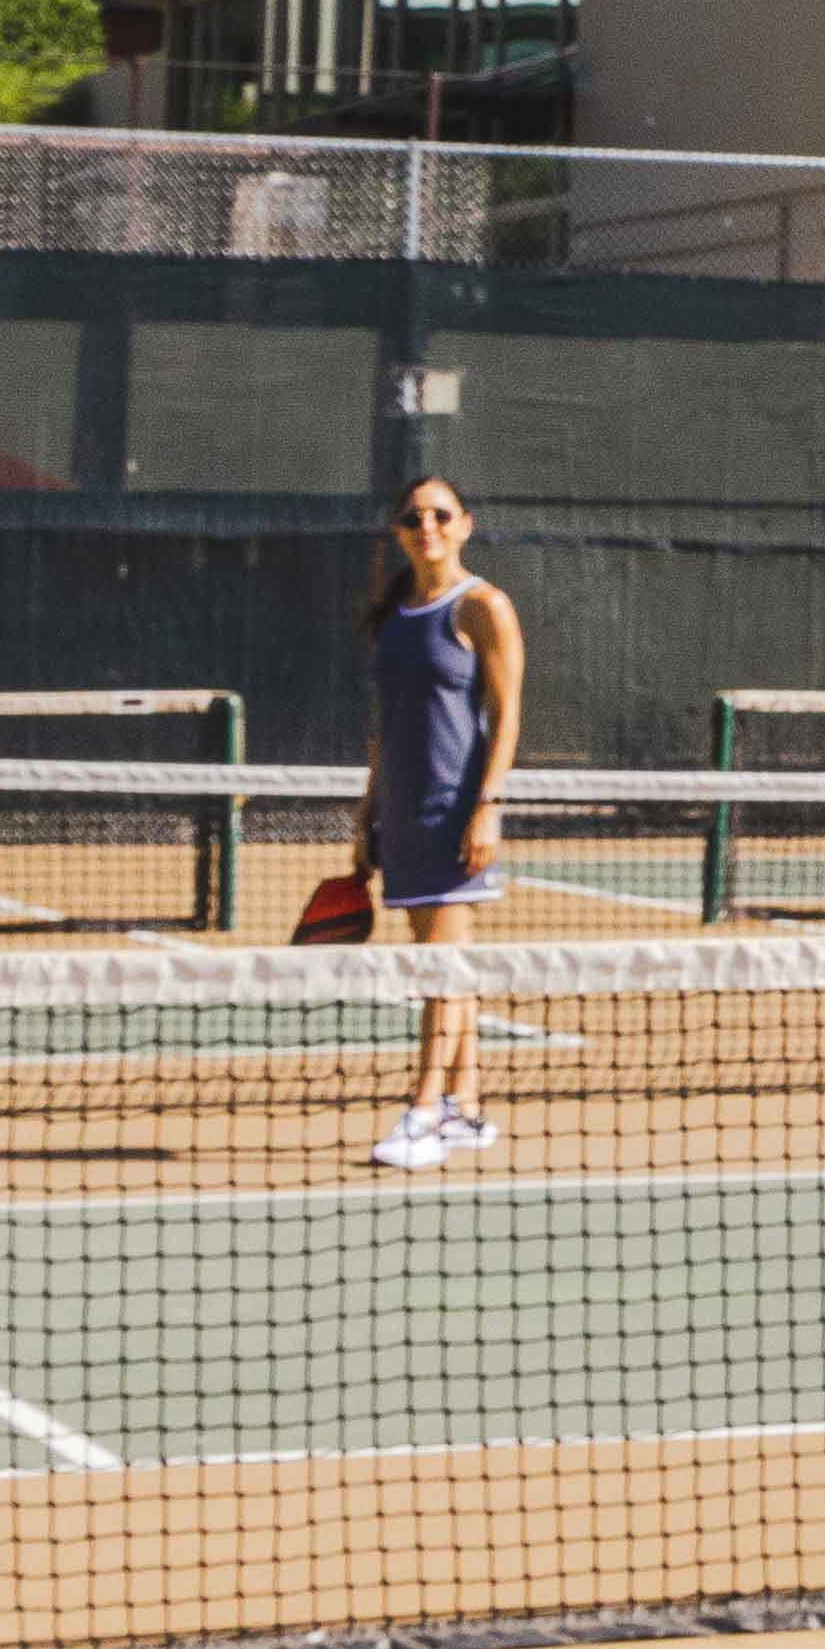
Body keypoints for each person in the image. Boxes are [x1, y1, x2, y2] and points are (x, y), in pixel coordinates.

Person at [350, 472, 523, 1173]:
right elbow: (387, 729)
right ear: (399, 532)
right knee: (445, 960)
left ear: (464, 524)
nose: (427, 525)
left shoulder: (484, 605)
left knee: (438, 964)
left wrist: (488, 806)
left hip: (457, 810)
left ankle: (422, 1111)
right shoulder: (394, 614)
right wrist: (367, 811)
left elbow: (508, 714)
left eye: (440, 514)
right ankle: (465, 1104)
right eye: (413, 516)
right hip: (404, 809)